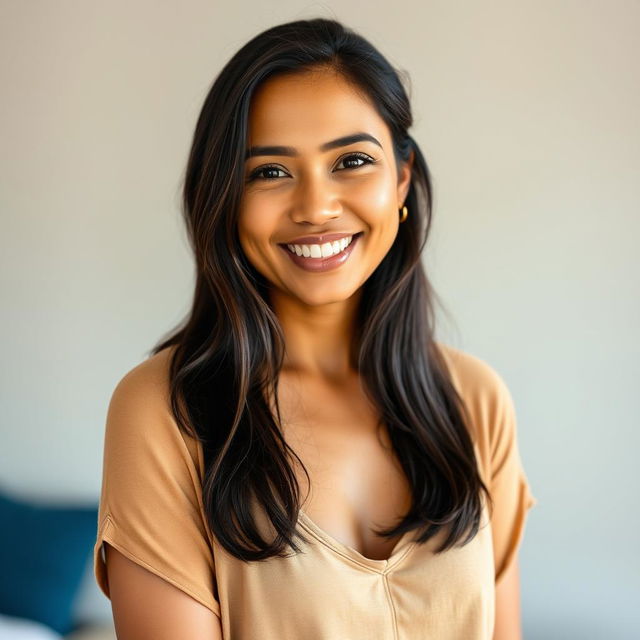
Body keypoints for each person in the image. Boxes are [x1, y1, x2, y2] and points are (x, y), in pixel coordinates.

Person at [93, 17, 537, 640]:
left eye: (352, 161)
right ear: (224, 197)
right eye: (270, 172)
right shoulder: (165, 412)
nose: (316, 207)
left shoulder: (475, 401)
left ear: (402, 179)